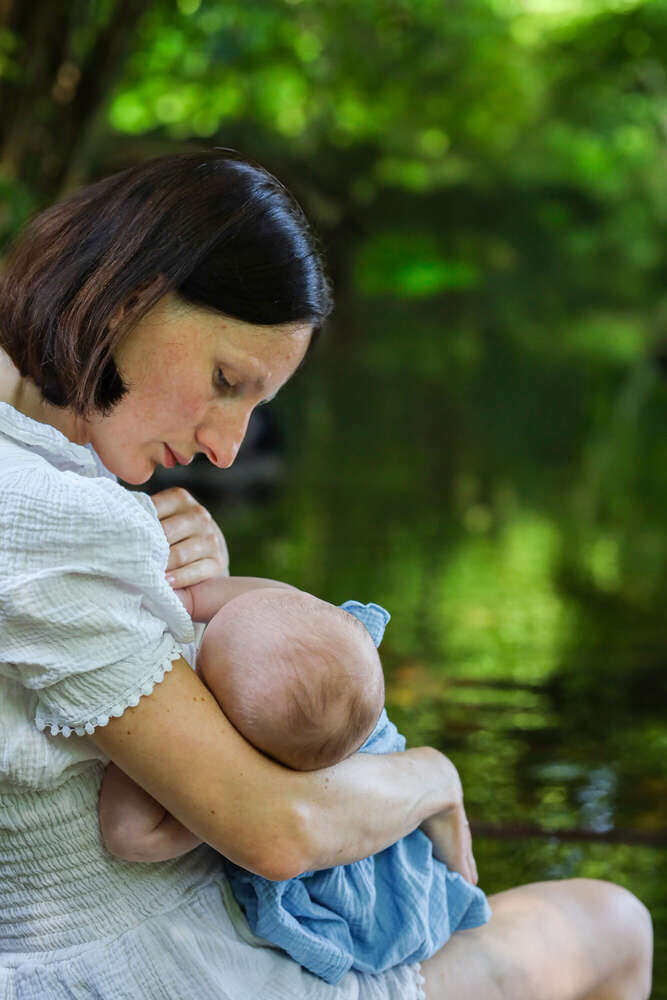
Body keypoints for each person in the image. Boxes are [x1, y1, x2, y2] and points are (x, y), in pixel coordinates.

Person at [0, 150, 652, 1000]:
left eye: (253, 407)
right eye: (225, 381)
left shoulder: (52, 475)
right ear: (131, 301)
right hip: (175, 974)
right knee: (610, 924)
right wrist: (430, 778)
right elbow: (277, 832)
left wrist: (193, 588)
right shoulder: (58, 517)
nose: (225, 448)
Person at [98, 579, 492, 984]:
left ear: (246, 750)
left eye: (200, 671)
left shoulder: (251, 781)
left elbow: (127, 835)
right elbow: (284, 605)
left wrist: (151, 761)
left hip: (369, 885)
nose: (196, 643)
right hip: (386, 803)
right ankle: (455, 871)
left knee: (399, 914)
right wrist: (192, 599)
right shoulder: (339, 658)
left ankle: (448, 894)